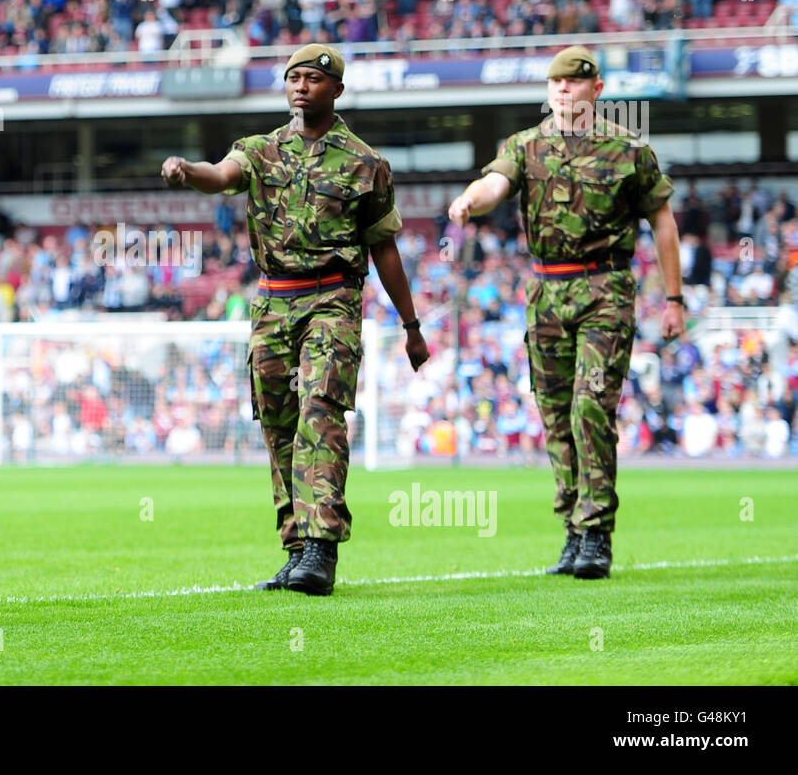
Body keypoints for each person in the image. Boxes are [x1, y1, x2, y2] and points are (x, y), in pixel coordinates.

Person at [162, 44, 430, 596]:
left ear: (336, 90)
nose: (301, 86)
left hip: (332, 300)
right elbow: (221, 174)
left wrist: (411, 326)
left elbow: (385, 251)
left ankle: (322, 547)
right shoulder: (260, 151)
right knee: (278, 424)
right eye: (294, 77)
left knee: (320, 410)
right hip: (272, 304)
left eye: (313, 78)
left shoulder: (365, 163)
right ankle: (295, 546)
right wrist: (190, 172)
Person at [447, 45, 684, 579]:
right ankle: (573, 530)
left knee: (589, 405)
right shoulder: (525, 146)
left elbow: (663, 223)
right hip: (547, 293)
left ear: (595, 91)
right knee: (554, 416)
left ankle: (597, 531)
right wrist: (469, 201)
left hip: (605, 289)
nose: (562, 92)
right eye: (555, 85)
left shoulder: (628, 149)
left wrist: (673, 299)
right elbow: (495, 184)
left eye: (573, 84)